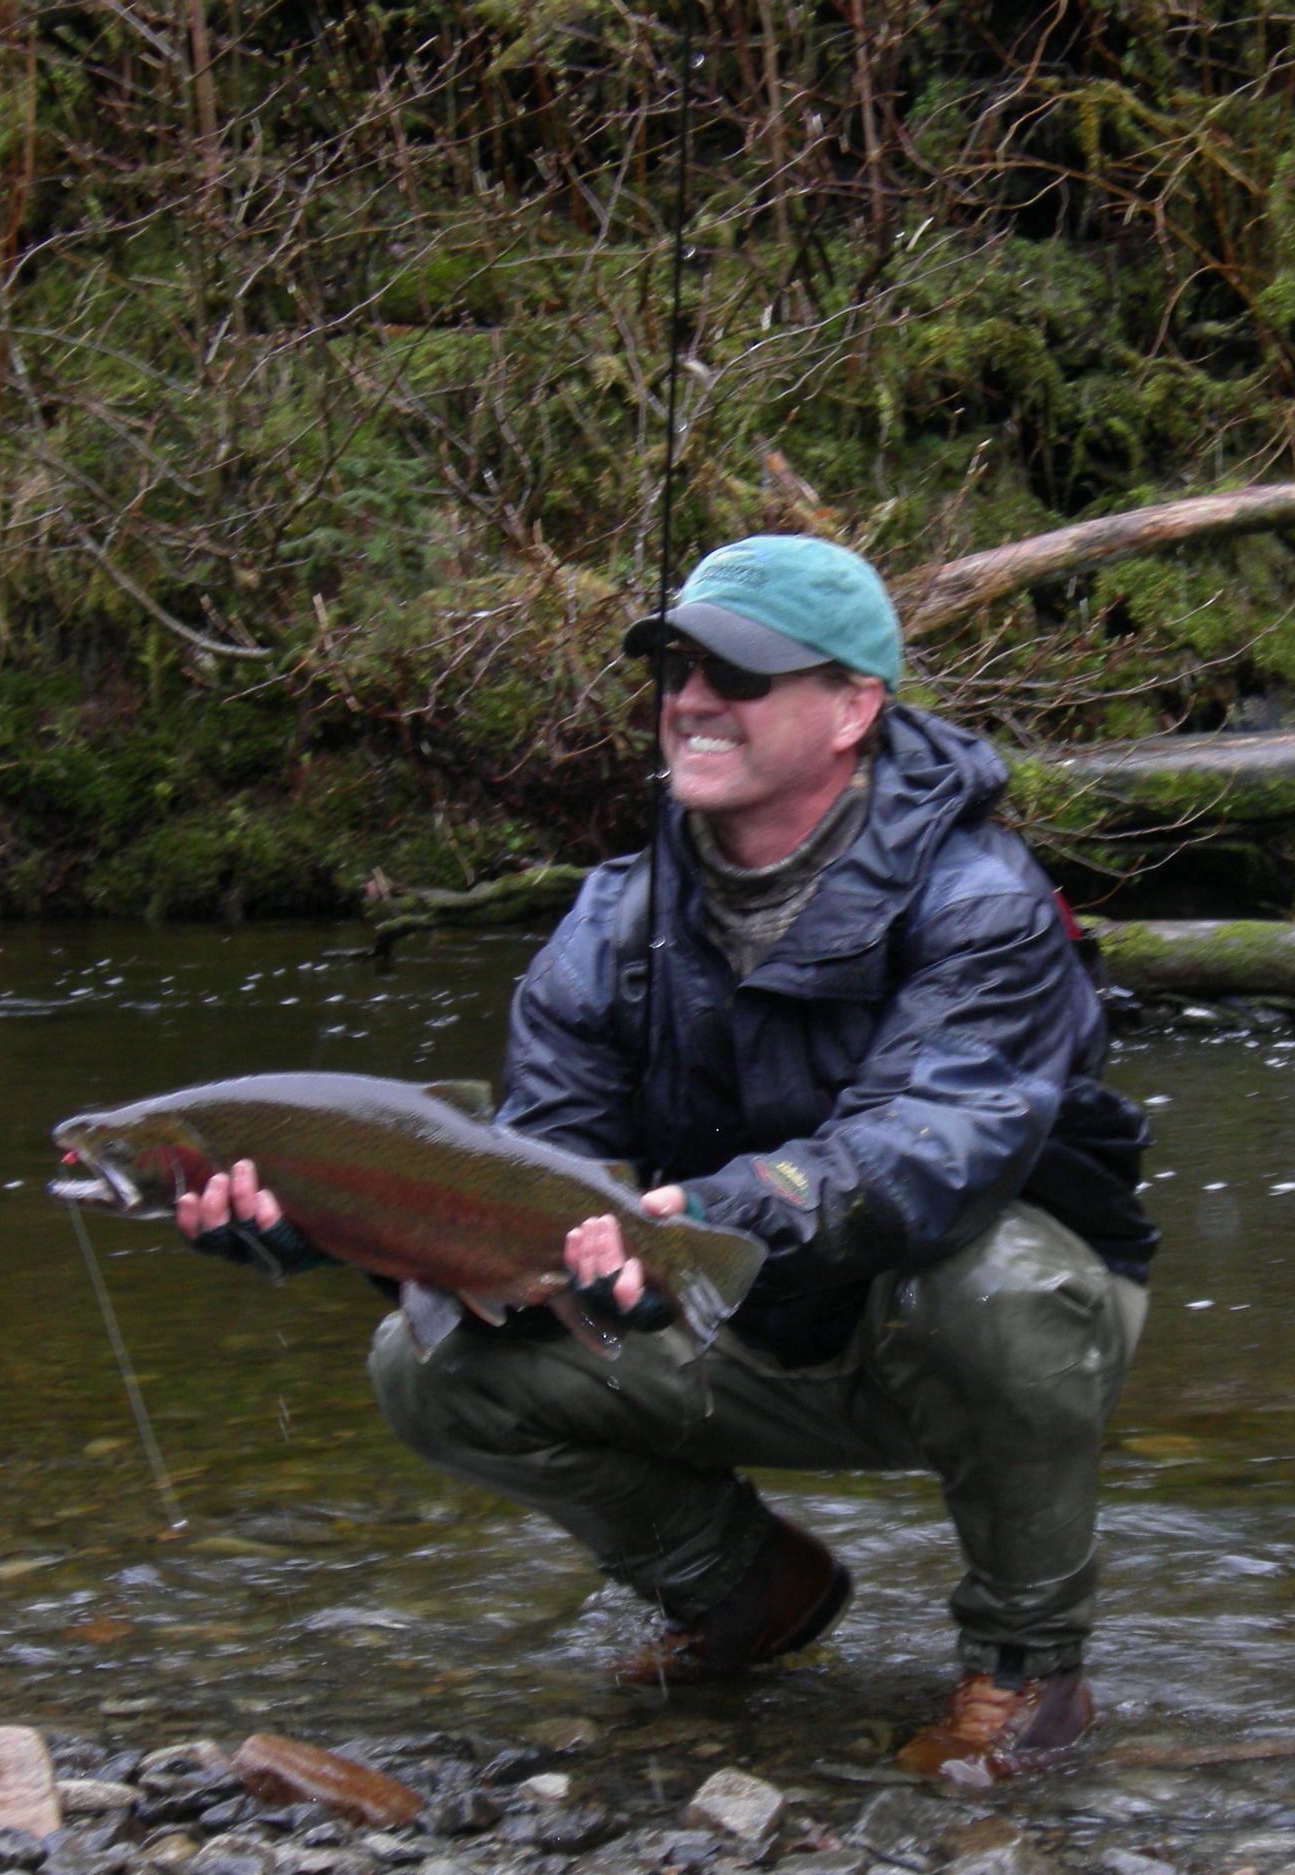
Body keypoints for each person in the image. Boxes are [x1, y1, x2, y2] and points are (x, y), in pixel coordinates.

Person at [180, 534, 1157, 1785]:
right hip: (715, 1296)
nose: (691, 700)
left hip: (950, 1320)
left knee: (995, 1285)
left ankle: (1029, 1667)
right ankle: (750, 1592)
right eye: (677, 669)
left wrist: (703, 1215)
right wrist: (329, 1222)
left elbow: (924, 1153)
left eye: (738, 676)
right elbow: (525, 1176)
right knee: (431, 1367)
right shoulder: (611, 920)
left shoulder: (982, 902)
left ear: (854, 706)